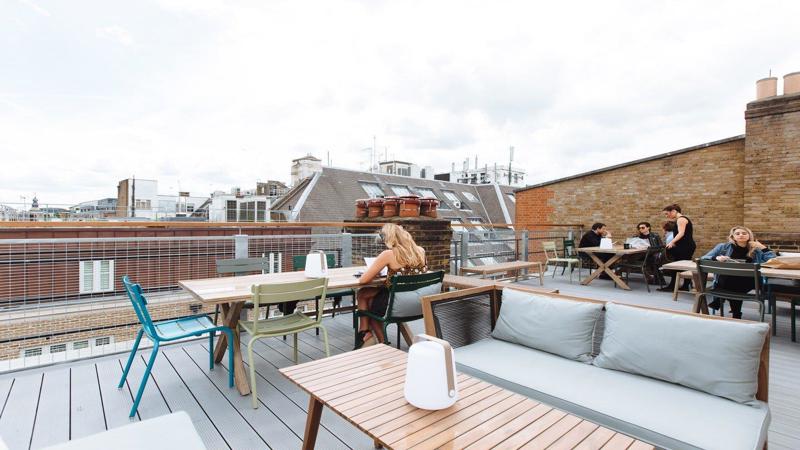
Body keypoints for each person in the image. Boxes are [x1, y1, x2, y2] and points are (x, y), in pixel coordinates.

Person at [354, 223, 427, 349]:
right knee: (363, 293)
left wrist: (374, 274)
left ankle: (380, 343)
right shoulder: (421, 251)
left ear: (389, 238)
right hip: (416, 302)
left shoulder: (388, 254)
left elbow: (363, 280)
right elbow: (410, 275)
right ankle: (365, 332)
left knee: (369, 301)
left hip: (397, 303)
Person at [701, 226, 775, 319]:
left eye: (744, 233)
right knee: (731, 282)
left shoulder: (756, 250)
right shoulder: (723, 247)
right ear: (733, 237)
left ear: (749, 236)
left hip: (749, 281)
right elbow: (703, 258)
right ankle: (736, 313)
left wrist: (763, 247)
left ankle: (720, 300)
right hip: (729, 280)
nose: (741, 235)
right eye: (737, 233)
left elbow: (774, 260)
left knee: (730, 283)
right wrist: (716, 258)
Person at [658, 204, 696, 292]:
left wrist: (672, 242)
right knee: (683, 266)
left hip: (685, 247)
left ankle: (672, 287)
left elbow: (681, 233)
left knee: (677, 267)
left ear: (674, 211)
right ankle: (684, 286)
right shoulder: (681, 219)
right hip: (685, 246)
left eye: (667, 214)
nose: (667, 216)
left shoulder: (681, 219)